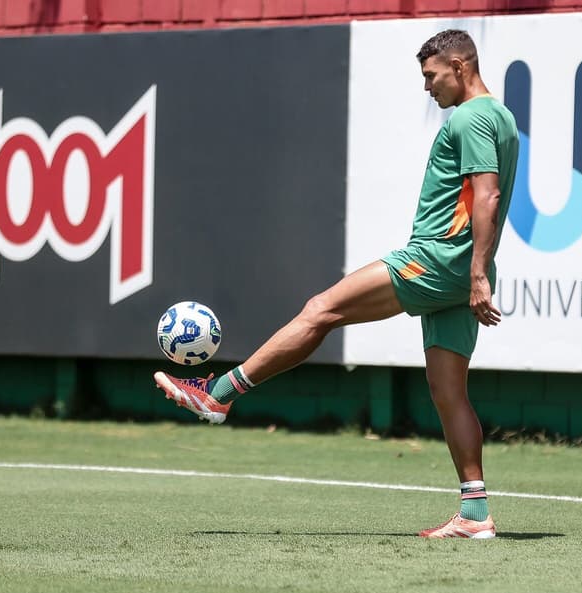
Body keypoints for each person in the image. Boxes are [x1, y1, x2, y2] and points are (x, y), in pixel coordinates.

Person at [154, 29, 519, 540]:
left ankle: (219, 393)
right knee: (448, 392)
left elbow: (488, 196)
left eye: (431, 76)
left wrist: (476, 272)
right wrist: (476, 273)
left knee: (322, 309)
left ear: (459, 67)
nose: (427, 88)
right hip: (458, 271)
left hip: (438, 261)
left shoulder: (472, 116)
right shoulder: (501, 116)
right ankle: (476, 516)